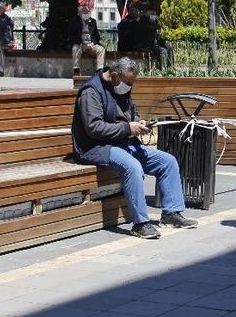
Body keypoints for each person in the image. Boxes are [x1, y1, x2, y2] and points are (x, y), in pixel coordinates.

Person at [71, 57, 198, 239]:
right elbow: (94, 128)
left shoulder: (120, 87)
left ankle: (171, 214)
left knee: (167, 161)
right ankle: (140, 224)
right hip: (96, 146)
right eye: (128, 83)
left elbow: (132, 111)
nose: (129, 87)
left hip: (122, 142)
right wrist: (127, 128)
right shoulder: (91, 92)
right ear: (115, 76)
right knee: (133, 168)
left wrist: (138, 122)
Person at [69, 5, 105, 76]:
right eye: (84, 12)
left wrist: (93, 43)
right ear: (80, 13)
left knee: (101, 49)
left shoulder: (93, 21)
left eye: (88, 12)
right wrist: (81, 44)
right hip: (80, 44)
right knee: (75, 48)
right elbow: (71, 35)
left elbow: (97, 36)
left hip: (91, 44)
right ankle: (76, 70)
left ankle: (99, 70)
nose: (86, 14)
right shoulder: (75, 21)